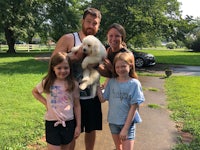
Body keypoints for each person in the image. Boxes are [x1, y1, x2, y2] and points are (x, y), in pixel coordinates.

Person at [52, 8, 102, 150]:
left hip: (91, 96)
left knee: (91, 130)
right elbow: (53, 62)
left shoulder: (97, 44)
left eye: (95, 23)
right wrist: (72, 58)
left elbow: (102, 68)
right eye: (88, 22)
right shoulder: (69, 39)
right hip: (69, 97)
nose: (91, 26)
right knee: (71, 133)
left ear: (98, 26)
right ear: (82, 22)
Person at [32, 52, 81, 150]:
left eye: (66, 68)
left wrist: (78, 126)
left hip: (68, 122)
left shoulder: (73, 84)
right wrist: (46, 103)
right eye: (59, 68)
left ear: (70, 68)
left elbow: (77, 105)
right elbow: (35, 92)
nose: (63, 71)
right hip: (52, 122)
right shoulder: (47, 82)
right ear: (53, 68)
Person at [97, 52, 145, 150]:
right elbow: (102, 99)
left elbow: (134, 107)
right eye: (117, 67)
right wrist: (97, 86)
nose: (120, 69)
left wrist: (125, 128)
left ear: (130, 66)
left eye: (123, 66)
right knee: (118, 148)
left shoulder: (134, 84)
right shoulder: (111, 82)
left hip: (127, 124)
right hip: (113, 122)